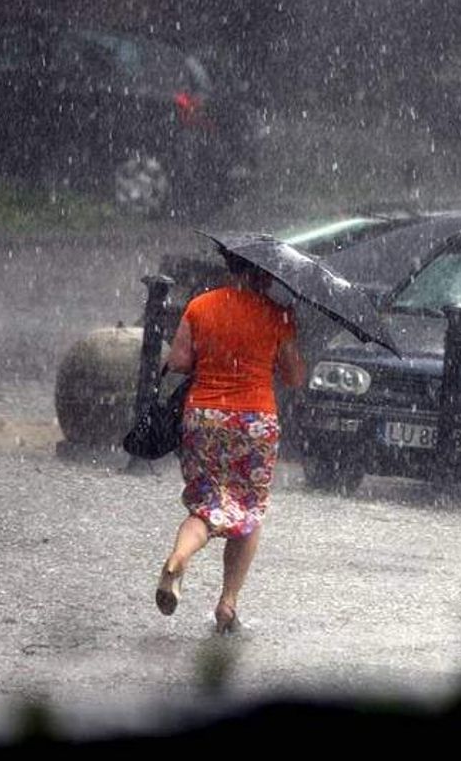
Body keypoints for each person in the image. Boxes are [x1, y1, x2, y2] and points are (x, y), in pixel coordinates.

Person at [155, 250, 307, 634]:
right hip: (254, 421)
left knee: (207, 504)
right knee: (248, 511)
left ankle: (179, 557)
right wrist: (286, 337)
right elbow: (292, 377)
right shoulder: (277, 314)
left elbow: (178, 361)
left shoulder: (200, 305)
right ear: (264, 277)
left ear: (231, 269)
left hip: (205, 416)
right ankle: (227, 604)